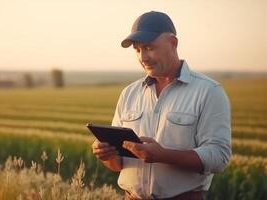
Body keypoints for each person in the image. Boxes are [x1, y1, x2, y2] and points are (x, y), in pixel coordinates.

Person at [91, 11, 231, 200]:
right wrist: (107, 155)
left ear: (173, 43)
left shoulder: (209, 91)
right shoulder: (129, 93)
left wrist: (163, 155)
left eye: (149, 47)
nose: (143, 57)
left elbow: (219, 157)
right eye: (137, 50)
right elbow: (118, 166)